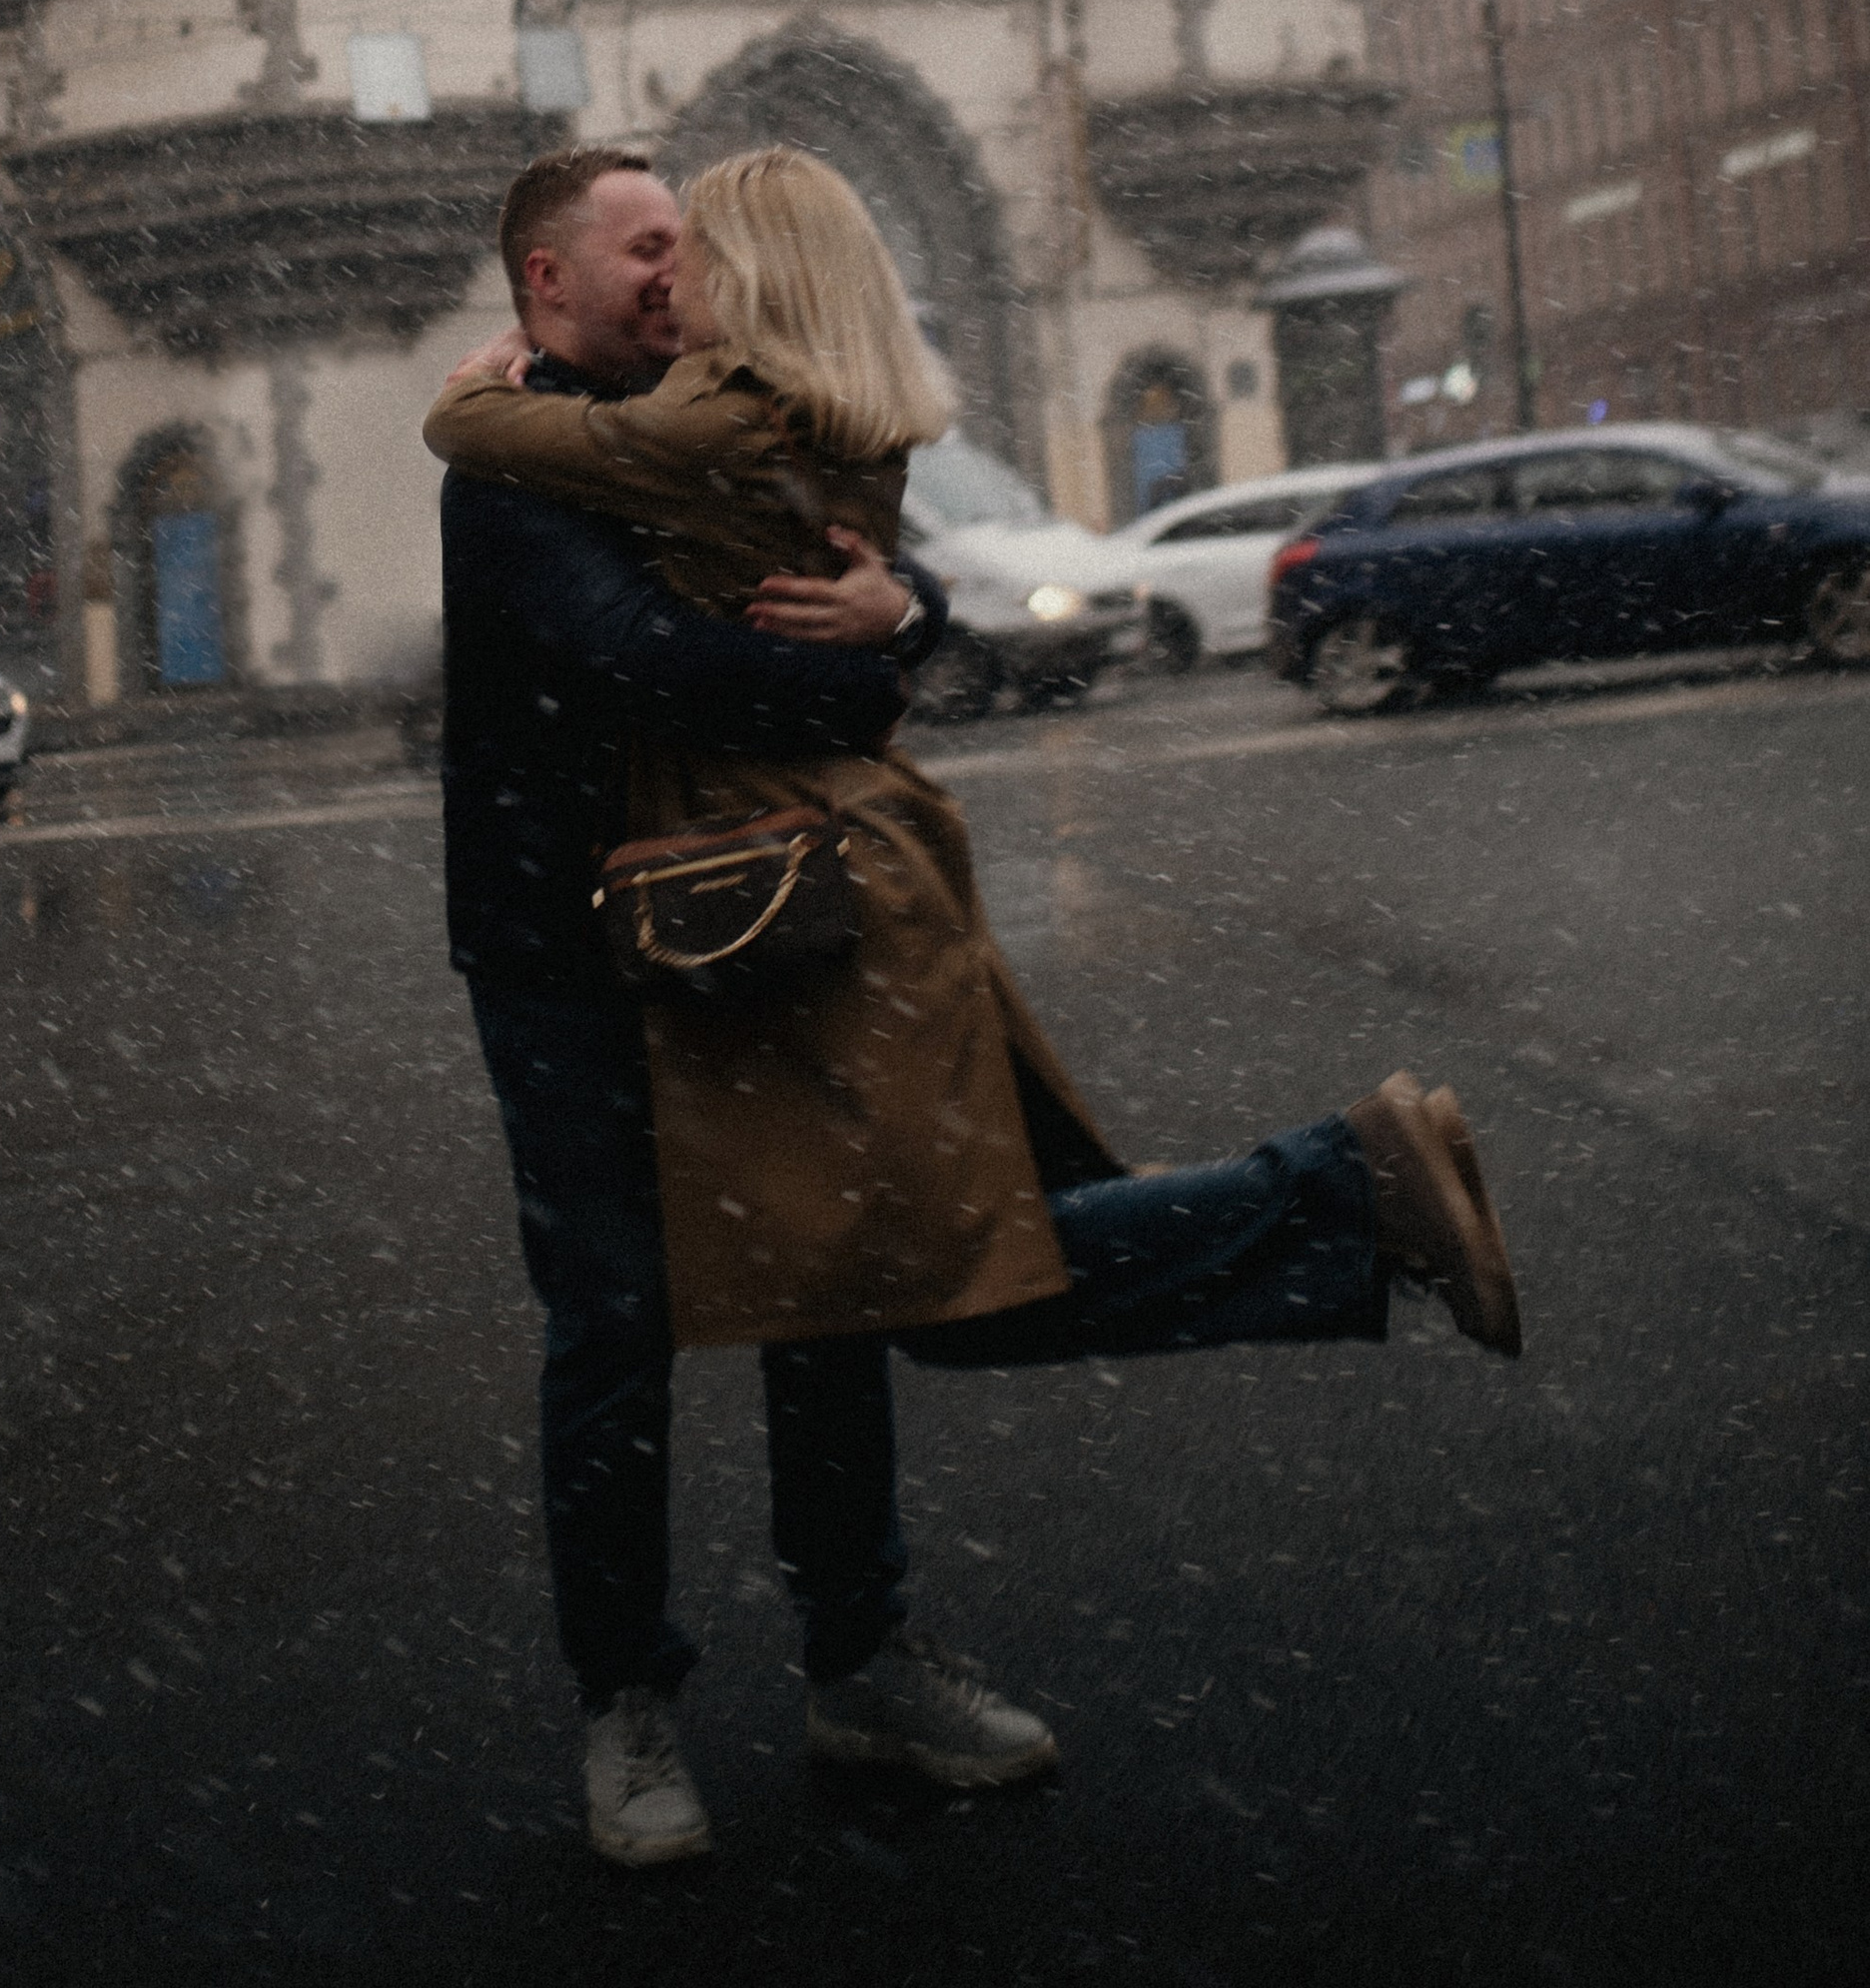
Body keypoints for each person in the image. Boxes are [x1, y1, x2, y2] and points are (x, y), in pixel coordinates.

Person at [431, 144, 1520, 1869]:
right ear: (545, 282)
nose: (670, 268)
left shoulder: (740, 412)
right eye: (641, 247)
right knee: (617, 1321)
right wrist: (864, 652)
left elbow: (889, 573)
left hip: (759, 910)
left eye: (684, 243)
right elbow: (632, 651)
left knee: (833, 1290)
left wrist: (903, 609)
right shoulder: (523, 459)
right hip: (566, 947)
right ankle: (625, 1704)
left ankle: (858, 1665)